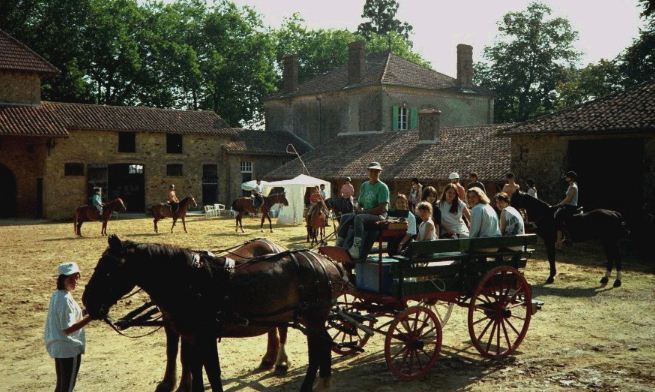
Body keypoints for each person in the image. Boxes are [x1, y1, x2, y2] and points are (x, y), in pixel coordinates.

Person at [44, 262, 92, 392]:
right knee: (67, 388)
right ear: (63, 279)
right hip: (69, 349)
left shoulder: (58, 295)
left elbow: (70, 317)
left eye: (77, 277)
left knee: (61, 386)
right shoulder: (64, 300)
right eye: (71, 278)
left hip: (59, 347)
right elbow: (68, 329)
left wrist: (86, 312)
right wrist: (92, 317)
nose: (75, 281)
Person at [336, 162, 390, 259]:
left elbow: (382, 208)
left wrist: (364, 212)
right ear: (368, 172)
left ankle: (356, 248)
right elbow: (360, 203)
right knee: (345, 217)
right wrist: (358, 208)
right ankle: (339, 243)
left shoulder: (382, 187)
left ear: (379, 172)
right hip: (366, 214)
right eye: (371, 171)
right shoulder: (364, 185)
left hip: (379, 216)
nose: (373, 173)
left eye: (376, 171)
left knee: (359, 218)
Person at [554, 171, 579, 248]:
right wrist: (560, 204)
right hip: (568, 206)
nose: (566, 178)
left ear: (571, 178)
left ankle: (560, 242)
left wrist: (559, 205)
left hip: (570, 207)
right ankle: (560, 241)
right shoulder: (571, 186)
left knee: (557, 217)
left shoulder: (573, 187)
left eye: (567, 177)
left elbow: (568, 199)